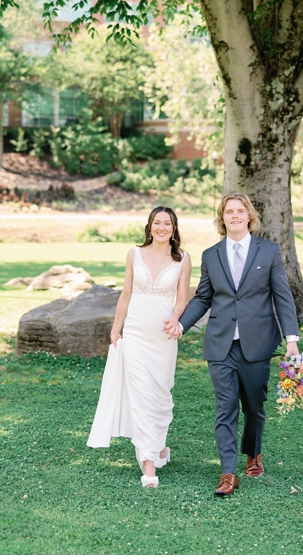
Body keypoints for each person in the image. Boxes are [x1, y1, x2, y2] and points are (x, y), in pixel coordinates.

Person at [171, 191, 300, 497]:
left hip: (257, 343)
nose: (235, 216)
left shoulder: (268, 252)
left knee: (254, 406)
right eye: (229, 211)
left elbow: (282, 296)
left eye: (240, 211)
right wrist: (180, 324)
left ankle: (253, 454)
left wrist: (291, 339)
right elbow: (203, 297)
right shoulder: (211, 255)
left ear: (249, 217)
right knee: (225, 408)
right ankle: (228, 472)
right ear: (222, 218)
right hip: (220, 345)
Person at [88, 206, 192, 488]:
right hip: (134, 333)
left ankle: (159, 448)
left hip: (163, 336)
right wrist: (115, 329)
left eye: (167, 224)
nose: (161, 228)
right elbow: (126, 294)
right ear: (150, 226)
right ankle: (148, 465)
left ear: (174, 228)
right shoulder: (134, 254)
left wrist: (175, 318)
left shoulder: (182, 259)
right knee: (142, 397)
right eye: (157, 223)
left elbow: (182, 299)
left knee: (160, 395)